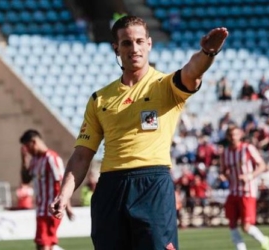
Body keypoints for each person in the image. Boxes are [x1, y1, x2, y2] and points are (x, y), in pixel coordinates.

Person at [49, 15, 228, 250]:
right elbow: (82, 154)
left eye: (139, 41)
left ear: (149, 44)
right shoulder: (99, 99)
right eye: (126, 43)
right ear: (116, 48)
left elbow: (192, 73)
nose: (134, 48)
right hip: (110, 188)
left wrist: (207, 53)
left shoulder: (165, 86)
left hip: (152, 185)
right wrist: (64, 194)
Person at [219, 124, 269, 250]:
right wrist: (222, 176)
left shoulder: (248, 148)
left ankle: (264, 240)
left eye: (236, 135)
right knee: (232, 224)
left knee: (246, 226)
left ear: (240, 135)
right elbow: (222, 170)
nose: (233, 138)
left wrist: (250, 175)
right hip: (233, 191)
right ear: (227, 137)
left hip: (247, 191)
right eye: (231, 135)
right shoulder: (225, 153)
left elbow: (262, 165)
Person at [20, 129, 74, 250]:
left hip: (51, 209)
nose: (27, 150)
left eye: (27, 147)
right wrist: (24, 160)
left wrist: (67, 207)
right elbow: (25, 180)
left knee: (43, 243)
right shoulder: (34, 160)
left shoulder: (51, 158)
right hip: (40, 209)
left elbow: (61, 182)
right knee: (45, 244)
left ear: (33, 142)